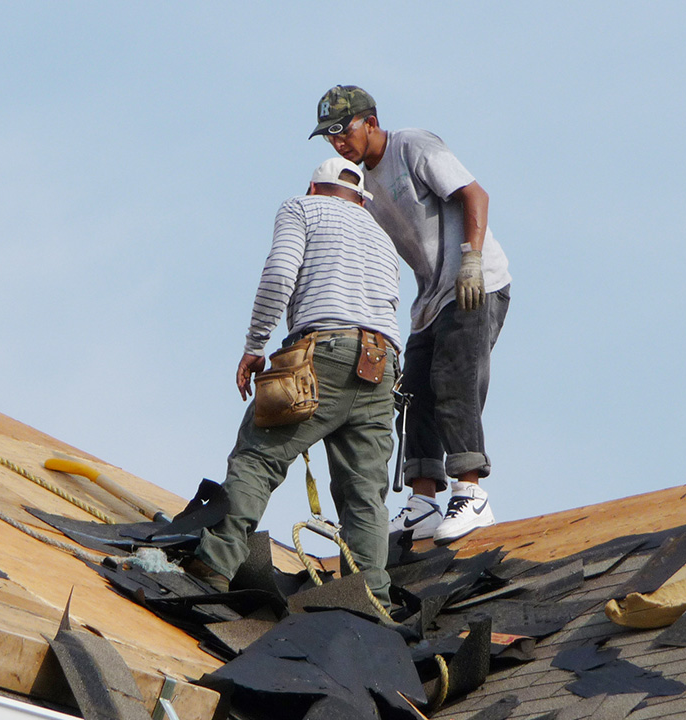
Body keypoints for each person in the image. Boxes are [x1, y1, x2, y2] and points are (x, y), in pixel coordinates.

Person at [186, 157, 401, 607]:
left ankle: (214, 563)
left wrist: (255, 343)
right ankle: (370, 604)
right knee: (365, 493)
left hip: (325, 351)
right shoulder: (382, 237)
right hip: (383, 365)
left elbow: (281, 272)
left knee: (258, 456)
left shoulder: (302, 208)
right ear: (363, 199)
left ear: (313, 186)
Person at [310, 85, 511, 546]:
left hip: (475, 282)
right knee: (416, 394)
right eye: (330, 137)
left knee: (454, 379)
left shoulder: (412, 146)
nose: (339, 143)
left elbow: (475, 195)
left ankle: (472, 492)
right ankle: (422, 502)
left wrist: (472, 260)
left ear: (371, 122)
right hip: (431, 300)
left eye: (344, 130)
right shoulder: (363, 187)